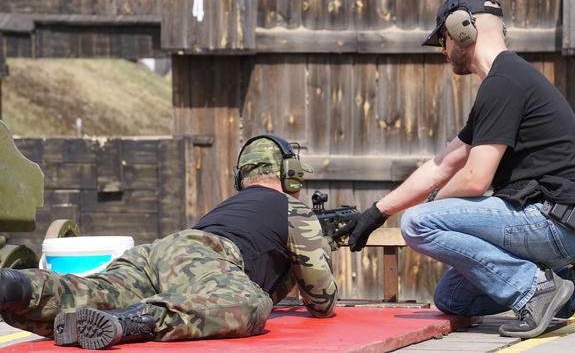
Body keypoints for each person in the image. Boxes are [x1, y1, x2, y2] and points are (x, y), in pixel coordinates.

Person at [336, 0, 575, 339]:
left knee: (417, 224)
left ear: (462, 28)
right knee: (452, 298)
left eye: (443, 38)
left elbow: (474, 178)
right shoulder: (510, 79)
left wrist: (432, 206)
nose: (443, 50)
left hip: (551, 222)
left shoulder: (503, 83)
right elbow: (442, 164)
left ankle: (533, 290)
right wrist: (377, 212)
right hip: (569, 227)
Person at [0, 134, 337, 350]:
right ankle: (130, 321)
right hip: (207, 258)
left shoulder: (233, 205)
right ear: (290, 172)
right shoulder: (293, 209)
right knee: (250, 303)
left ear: (242, 176)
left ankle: (16, 287)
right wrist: (323, 246)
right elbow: (322, 302)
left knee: (95, 291)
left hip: (159, 250)